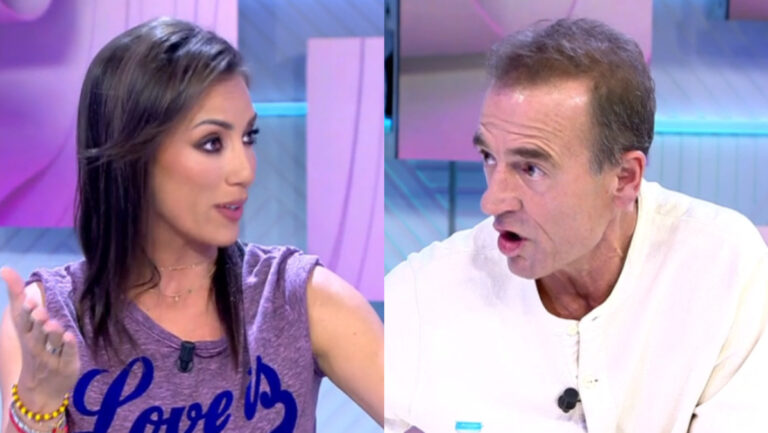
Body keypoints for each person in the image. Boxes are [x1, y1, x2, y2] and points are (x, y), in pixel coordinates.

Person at [0, 17, 383, 433]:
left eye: (248, 138)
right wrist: (39, 398)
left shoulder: (298, 297)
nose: (245, 170)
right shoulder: (51, 318)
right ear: (133, 154)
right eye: (212, 142)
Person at [385, 18, 768, 433]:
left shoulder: (726, 269)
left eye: (531, 168)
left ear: (624, 178)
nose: (492, 201)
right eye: (489, 158)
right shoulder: (425, 294)